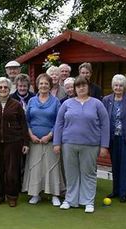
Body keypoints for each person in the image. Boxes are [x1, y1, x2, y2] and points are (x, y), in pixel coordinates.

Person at [53, 76, 109, 213]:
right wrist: (57, 143)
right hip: (68, 144)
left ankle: (88, 201)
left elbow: (105, 125)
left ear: (88, 87)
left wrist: (104, 146)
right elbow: (59, 124)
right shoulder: (67, 103)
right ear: (74, 89)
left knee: (88, 173)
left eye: (83, 85)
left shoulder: (97, 104)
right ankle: (70, 200)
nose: (81, 88)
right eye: (78, 86)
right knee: (71, 173)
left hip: (91, 144)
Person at [0, 77, 30, 207]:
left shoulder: (16, 105)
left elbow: (23, 125)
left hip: (13, 142)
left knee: (12, 170)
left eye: (6, 87)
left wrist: (25, 142)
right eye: (0, 87)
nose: (3, 89)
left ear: (9, 89)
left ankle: (12, 196)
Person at [22, 73, 65, 206]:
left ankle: (54, 195)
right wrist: (31, 135)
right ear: (37, 85)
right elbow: (26, 121)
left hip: (50, 141)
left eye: (46, 83)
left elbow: (59, 122)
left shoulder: (56, 101)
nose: (43, 86)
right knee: (35, 168)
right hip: (34, 140)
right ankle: (35, 194)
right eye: (41, 83)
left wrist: (49, 136)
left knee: (52, 168)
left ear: (50, 85)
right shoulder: (32, 101)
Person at [102, 74, 126, 203]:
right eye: (116, 85)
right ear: (112, 86)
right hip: (112, 138)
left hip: (125, 138)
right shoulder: (106, 100)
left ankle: (123, 193)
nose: (118, 88)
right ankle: (115, 190)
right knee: (115, 165)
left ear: (125, 87)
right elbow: (104, 120)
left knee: (124, 166)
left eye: (121, 85)